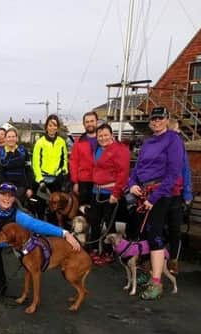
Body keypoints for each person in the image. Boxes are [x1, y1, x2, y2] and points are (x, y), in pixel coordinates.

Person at [0, 182, 81, 302]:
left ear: (14, 198)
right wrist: (14, 244)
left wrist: (64, 233)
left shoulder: (16, 214)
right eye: (3, 194)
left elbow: (36, 224)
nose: (7, 198)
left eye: (10, 195)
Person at [128, 106, 184, 300]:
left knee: (155, 234)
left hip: (161, 193)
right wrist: (132, 184)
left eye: (160, 118)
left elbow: (173, 172)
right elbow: (137, 168)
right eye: (153, 118)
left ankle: (157, 281)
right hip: (144, 192)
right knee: (142, 232)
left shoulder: (173, 140)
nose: (156, 121)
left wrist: (153, 198)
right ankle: (147, 270)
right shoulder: (147, 142)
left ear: (167, 119)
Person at [87, 123, 130, 265]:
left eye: (106, 135)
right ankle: (93, 250)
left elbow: (123, 174)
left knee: (109, 224)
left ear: (111, 135)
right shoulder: (98, 149)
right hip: (96, 191)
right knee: (94, 221)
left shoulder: (120, 150)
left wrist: (116, 194)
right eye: (100, 136)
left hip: (110, 193)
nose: (103, 138)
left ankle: (108, 252)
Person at [166, 118, 193, 274]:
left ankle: (174, 260)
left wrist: (187, 193)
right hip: (159, 192)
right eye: (176, 130)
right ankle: (158, 259)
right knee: (158, 229)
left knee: (174, 229)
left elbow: (186, 169)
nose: (179, 133)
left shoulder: (179, 146)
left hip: (176, 193)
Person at [32, 114, 69, 221]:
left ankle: (53, 230)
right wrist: (40, 180)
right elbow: (35, 163)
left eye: (55, 125)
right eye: (50, 125)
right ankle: (40, 229)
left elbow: (64, 159)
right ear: (46, 127)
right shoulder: (40, 142)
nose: (52, 128)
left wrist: (63, 172)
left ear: (57, 127)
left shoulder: (61, 142)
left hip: (56, 179)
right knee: (40, 206)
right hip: (42, 179)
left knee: (55, 207)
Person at [0, 128, 34, 203]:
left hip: (21, 186)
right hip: (6, 186)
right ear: (5, 138)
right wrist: (6, 189)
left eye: (13, 136)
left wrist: (29, 188)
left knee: (18, 207)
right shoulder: (0, 154)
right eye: (9, 137)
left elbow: (29, 171)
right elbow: (0, 174)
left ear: (17, 138)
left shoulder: (23, 152)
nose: (11, 139)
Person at [69, 112, 98, 212]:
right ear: (84, 124)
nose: (90, 124)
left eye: (92, 121)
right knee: (83, 210)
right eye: (87, 122)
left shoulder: (103, 139)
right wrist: (75, 182)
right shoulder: (79, 141)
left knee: (97, 210)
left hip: (100, 181)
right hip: (84, 181)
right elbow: (73, 162)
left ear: (96, 122)